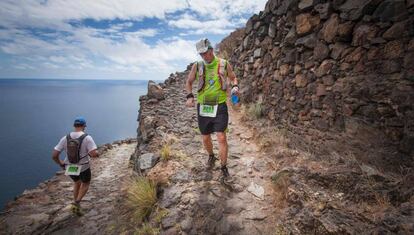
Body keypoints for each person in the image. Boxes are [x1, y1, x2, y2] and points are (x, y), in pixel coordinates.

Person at [185, 38, 239, 179]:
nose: (204, 56)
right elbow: (189, 82)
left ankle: (223, 166)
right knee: (205, 137)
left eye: (205, 53)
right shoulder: (197, 66)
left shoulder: (223, 64)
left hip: (220, 105)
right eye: (201, 54)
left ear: (211, 50)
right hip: (203, 107)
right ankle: (211, 155)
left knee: (221, 137)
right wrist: (189, 96)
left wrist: (235, 86)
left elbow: (233, 78)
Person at [52, 117, 99, 215]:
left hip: (70, 166)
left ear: (74, 126)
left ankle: (75, 201)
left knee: (77, 182)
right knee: (85, 184)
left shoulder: (65, 138)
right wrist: (97, 154)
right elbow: (93, 154)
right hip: (83, 167)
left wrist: (60, 163)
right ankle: (76, 203)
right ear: (84, 126)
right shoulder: (87, 137)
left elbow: (54, 155)